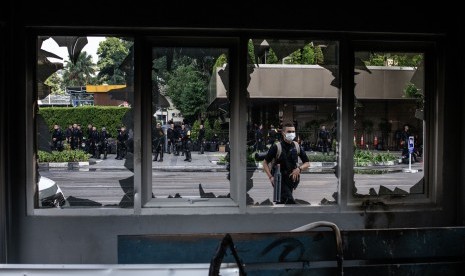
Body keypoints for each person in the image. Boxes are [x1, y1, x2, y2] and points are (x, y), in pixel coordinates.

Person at [262, 122, 310, 204]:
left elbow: (307, 163)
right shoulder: (277, 147)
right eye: (289, 132)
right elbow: (265, 163)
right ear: (283, 133)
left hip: (291, 180)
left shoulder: (297, 146)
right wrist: (271, 177)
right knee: (290, 201)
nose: (291, 134)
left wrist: (299, 169)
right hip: (279, 179)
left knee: (283, 203)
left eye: (293, 131)